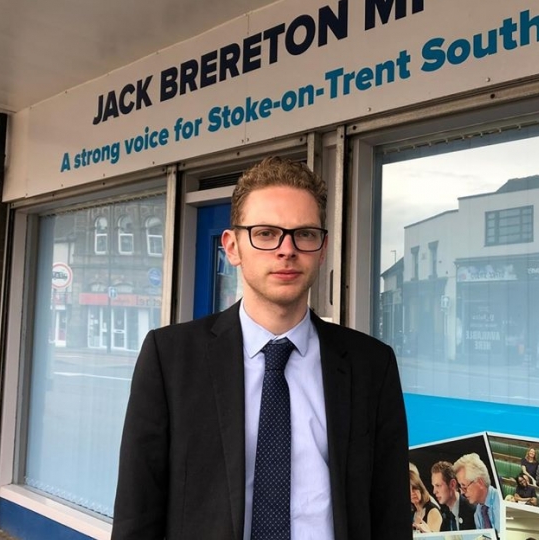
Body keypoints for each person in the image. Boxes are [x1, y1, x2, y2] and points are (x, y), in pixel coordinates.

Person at [111, 157, 410, 540]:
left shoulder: (372, 365)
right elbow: (138, 512)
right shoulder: (169, 359)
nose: (287, 249)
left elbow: (390, 512)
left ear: (322, 249)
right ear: (232, 247)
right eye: (266, 233)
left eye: (304, 234)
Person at [453, 453, 501, 530]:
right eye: (461, 487)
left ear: (480, 482)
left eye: (464, 487)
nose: (462, 493)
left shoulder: (501, 501)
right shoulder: (478, 513)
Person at [431, 461, 476, 531]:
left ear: (452, 484)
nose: (434, 491)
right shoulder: (445, 516)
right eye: (433, 486)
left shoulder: (472, 511)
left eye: (438, 486)